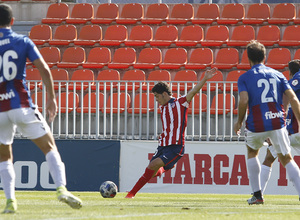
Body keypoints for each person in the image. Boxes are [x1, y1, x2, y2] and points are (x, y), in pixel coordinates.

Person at [0, 4, 82, 213]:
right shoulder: (22, 41)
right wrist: (51, 98)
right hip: (22, 105)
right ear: (12, 21)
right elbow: (44, 68)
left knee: (5, 156)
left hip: (0, 110)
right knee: (49, 147)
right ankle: (61, 188)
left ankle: (10, 201)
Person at [125, 67, 218, 199]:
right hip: (163, 145)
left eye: (157, 96)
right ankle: (165, 168)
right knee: (152, 171)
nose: (156, 100)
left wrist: (204, 79)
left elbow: (194, 91)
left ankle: (131, 194)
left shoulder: (181, 103)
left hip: (175, 147)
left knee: (152, 165)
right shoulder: (162, 108)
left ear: (164, 94)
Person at [234, 40, 300, 205]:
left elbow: (243, 100)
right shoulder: (278, 74)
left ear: (248, 59)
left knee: (252, 151)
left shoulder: (244, 78)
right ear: (265, 57)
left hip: (256, 124)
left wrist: (239, 122)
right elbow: (292, 98)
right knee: (286, 158)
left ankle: (257, 195)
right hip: (277, 121)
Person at [260, 60, 300, 194]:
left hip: (291, 131)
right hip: (292, 131)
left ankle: (258, 193)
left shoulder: (295, 79)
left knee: (269, 158)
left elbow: (285, 99)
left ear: (290, 72)